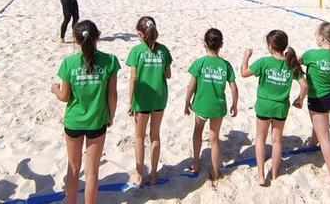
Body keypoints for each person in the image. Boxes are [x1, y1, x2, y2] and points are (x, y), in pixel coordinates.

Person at [53, 20, 120, 204]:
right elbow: (112, 95)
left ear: (75, 39)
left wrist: (54, 89)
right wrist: (111, 116)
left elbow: (65, 97)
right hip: (97, 121)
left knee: (73, 168)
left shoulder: (69, 62)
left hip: (74, 122)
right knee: (92, 171)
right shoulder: (109, 60)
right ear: (97, 36)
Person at [240, 29, 309, 186]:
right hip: (280, 107)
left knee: (260, 139)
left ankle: (261, 175)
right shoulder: (291, 64)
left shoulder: (264, 62)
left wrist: (246, 57)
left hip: (264, 106)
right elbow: (305, 85)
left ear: (270, 46)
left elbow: (244, 73)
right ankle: (275, 174)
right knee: (277, 140)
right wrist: (299, 100)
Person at [184, 28, 238, 181]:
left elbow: (191, 86)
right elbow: (233, 87)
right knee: (214, 139)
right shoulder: (225, 64)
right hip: (218, 106)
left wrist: (187, 101)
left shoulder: (200, 63)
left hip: (201, 105)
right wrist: (234, 104)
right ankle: (215, 171)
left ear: (204, 43)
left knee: (197, 133)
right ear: (221, 44)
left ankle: (196, 162)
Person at [126, 16, 173, 187]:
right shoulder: (164, 50)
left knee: (139, 137)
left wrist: (130, 102)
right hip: (159, 97)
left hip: (142, 99)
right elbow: (168, 74)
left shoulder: (136, 51)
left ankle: (139, 175)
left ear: (140, 34)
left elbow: (133, 79)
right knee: (155, 136)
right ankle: (153, 174)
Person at [301, 22, 330, 185]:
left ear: (321, 38)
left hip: (318, 99)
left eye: (317, 34)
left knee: (325, 138)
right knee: (319, 122)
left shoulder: (312, 55)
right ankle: (313, 142)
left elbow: (296, 61)